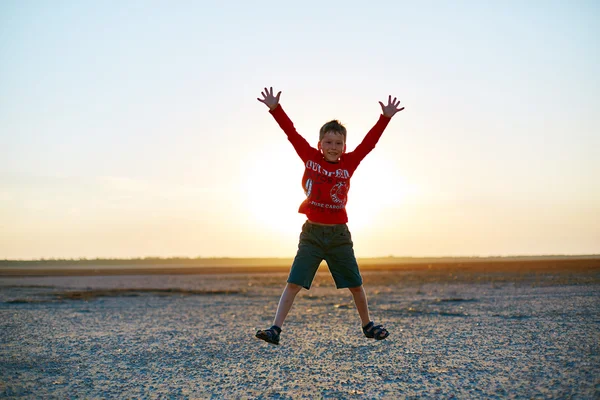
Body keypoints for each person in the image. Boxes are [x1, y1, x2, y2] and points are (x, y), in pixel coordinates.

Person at [255, 87, 404, 345]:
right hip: (312, 235)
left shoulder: (349, 163)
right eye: (328, 142)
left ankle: (367, 325)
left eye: (338, 143)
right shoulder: (310, 157)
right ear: (319, 144)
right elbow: (291, 134)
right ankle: (275, 330)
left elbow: (369, 143)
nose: (333, 147)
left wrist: (385, 118)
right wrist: (275, 109)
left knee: (356, 284)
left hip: (338, 236)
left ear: (344, 146)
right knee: (294, 283)